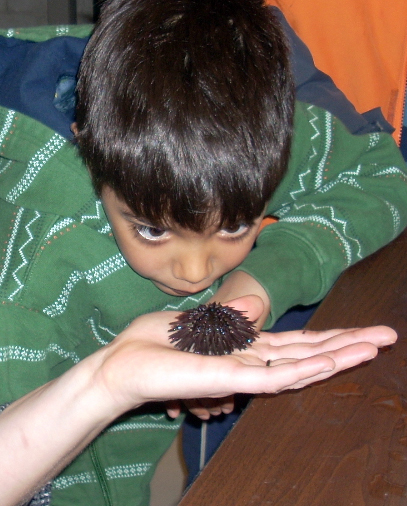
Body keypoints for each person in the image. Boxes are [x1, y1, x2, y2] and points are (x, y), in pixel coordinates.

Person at [0, 0, 405, 505]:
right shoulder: (28, 278)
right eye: (151, 230)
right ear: (91, 156)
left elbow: (378, 176)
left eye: (234, 226)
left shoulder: (237, 138)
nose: (195, 274)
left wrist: (258, 283)